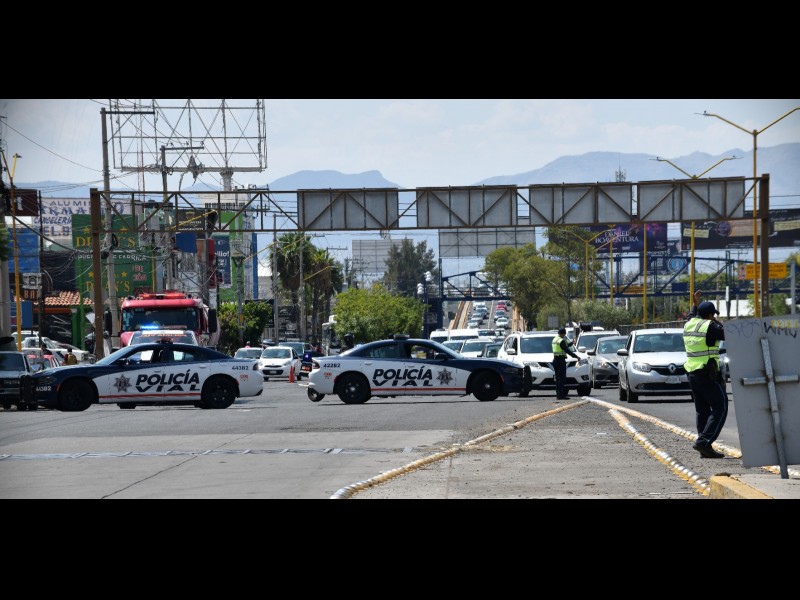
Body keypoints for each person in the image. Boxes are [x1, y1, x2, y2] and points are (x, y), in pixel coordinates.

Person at [683, 290, 727, 459]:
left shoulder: (689, 324)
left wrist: (695, 303)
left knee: (702, 411)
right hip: (706, 373)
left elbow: (692, 315)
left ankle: (704, 447)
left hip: (692, 374)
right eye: (713, 315)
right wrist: (716, 321)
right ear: (709, 315)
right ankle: (704, 441)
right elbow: (727, 333)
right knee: (720, 407)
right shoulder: (711, 327)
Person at [552, 327, 579, 399]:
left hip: (555, 360)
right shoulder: (561, 340)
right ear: (563, 333)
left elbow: (565, 345)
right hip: (561, 361)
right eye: (564, 334)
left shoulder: (555, 339)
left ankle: (558, 395)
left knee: (557, 379)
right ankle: (561, 395)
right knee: (561, 378)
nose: (564, 335)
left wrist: (572, 343)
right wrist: (576, 357)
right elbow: (567, 350)